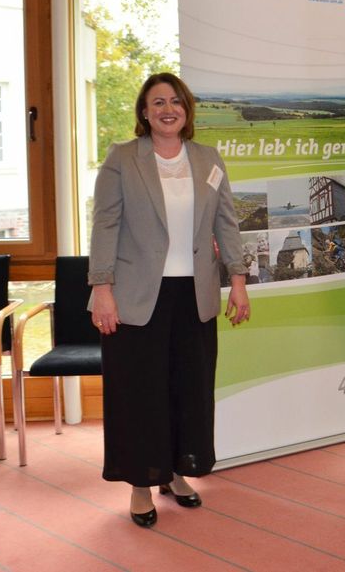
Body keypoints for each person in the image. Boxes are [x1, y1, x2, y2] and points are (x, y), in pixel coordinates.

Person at [89, 72, 251, 527]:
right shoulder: (123, 158)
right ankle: (142, 483)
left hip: (193, 296)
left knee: (189, 390)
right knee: (140, 393)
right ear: (144, 111)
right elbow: (104, 226)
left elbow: (227, 226)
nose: (168, 108)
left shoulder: (207, 159)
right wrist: (101, 289)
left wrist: (237, 281)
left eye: (176, 101)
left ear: (187, 110)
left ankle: (177, 471)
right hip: (136, 297)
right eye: (158, 101)